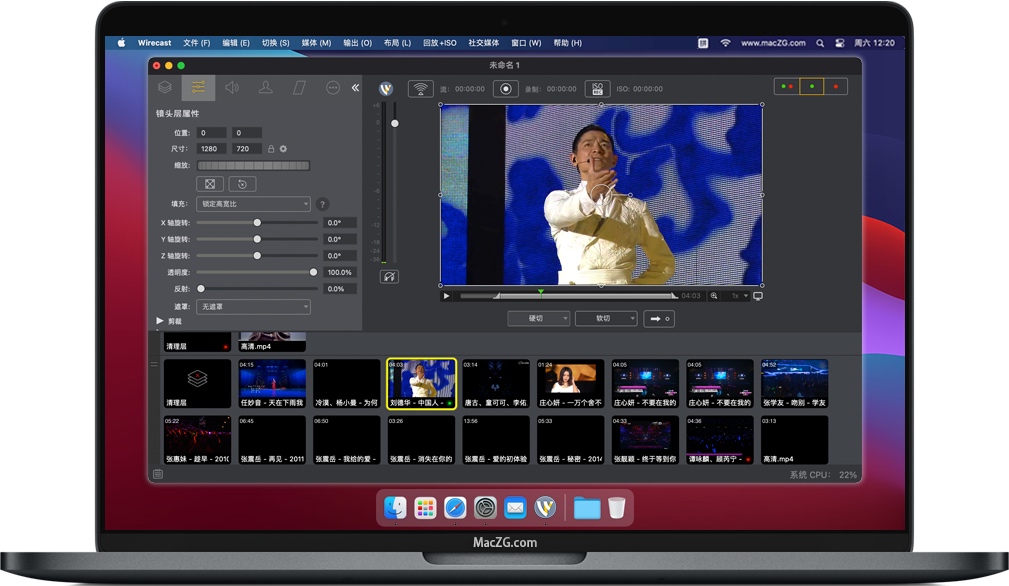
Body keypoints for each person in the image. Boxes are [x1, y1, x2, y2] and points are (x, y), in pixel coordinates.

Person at [543, 124, 675, 285]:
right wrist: (590, 193)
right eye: (588, 144)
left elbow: (664, 263)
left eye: (604, 145)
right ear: (574, 159)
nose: (596, 150)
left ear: (614, 159)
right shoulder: (559, 199)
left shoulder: (636, 208)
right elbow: (558, 216)